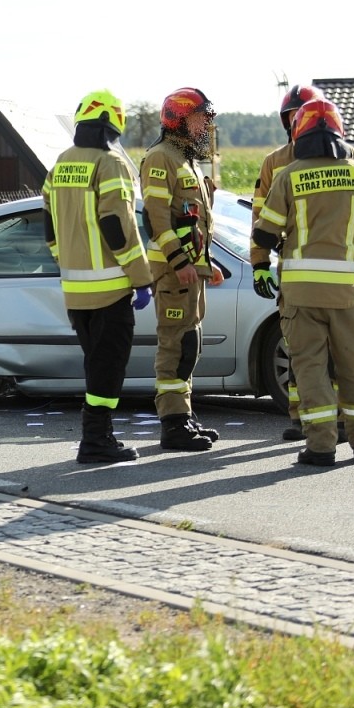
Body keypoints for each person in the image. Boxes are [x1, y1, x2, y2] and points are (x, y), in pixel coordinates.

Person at [252, 99, 354, 466]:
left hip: (301, 293)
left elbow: (264, 233)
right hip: (346, 291)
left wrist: (269, 253)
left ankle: (321, 447)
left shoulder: (288, 175)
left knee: (309, 368)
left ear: (299, 133)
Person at [42, 90, 154, 464]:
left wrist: (66, 260)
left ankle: (98, 436)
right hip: (110, 291)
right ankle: (96, 441)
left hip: (75, 291)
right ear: (114, 123)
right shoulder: (111, 164)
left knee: (96, 364)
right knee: (108, 368)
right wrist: (140, 277)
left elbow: (48, 224)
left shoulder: (60, 164)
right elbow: (117, 225)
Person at [139, 88, 223, 452]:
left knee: (190, 343)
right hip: (174, 272)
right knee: (175, 344)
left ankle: (183, 415)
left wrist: (207, 264)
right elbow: (157, 218)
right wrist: (179, 261)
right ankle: (172, 424)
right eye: (200, 117)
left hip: (190, 270)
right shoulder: (161, 158)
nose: (206, 123)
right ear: (179, 119)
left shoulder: (185, 159)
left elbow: (193, 222)